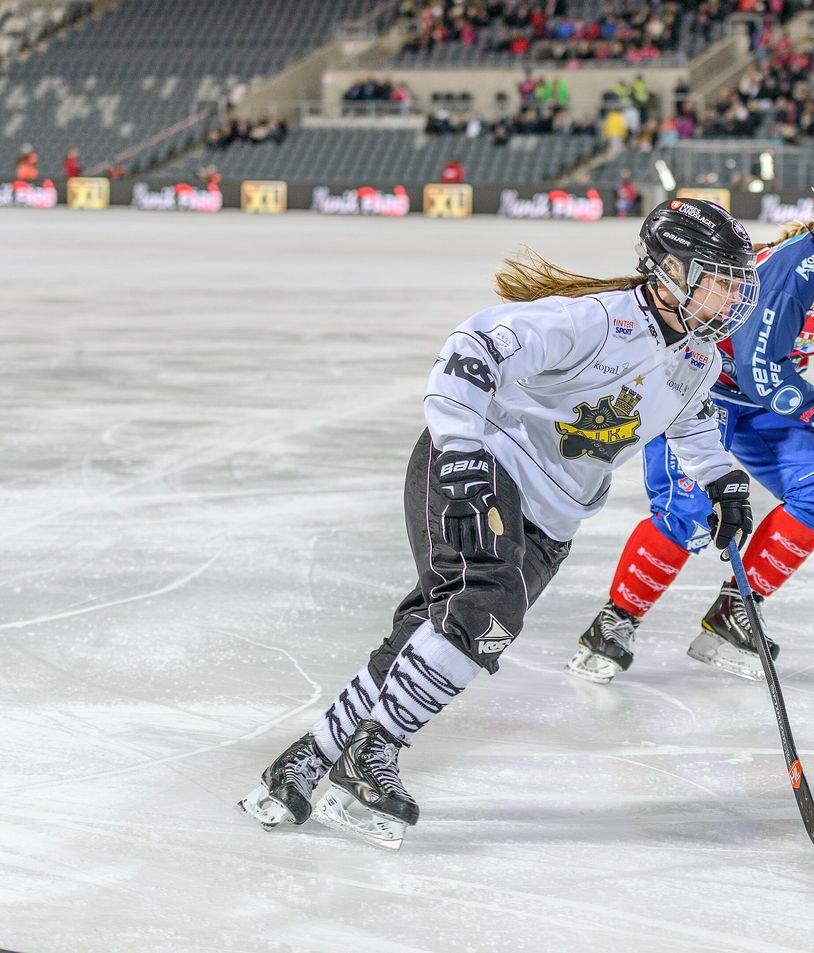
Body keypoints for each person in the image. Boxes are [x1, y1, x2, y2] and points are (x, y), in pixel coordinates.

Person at [237, 199, 763, 849]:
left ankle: (304, 763)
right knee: (486, 610)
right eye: (720, 277)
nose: (733, 294)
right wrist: (459, 453)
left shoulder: (697, 360)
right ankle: (368, 761)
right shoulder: (595, 320)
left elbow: (691, 428)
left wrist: (726, 482)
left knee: (429, 632)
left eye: (737, 281)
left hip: (549, 523)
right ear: (671, 272)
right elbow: (471, 349)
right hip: (483, 463)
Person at [565, 154, 814, 686]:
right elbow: (761, 372)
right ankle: (613, 624)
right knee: (687, 515)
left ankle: (731, 617)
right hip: (700, 395)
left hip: (766, 409)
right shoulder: (792, 270)